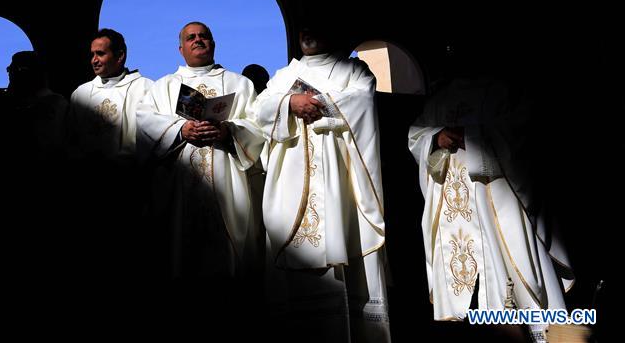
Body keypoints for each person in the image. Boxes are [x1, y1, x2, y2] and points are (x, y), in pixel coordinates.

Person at [407, 47, 573, 341]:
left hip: (494, 205)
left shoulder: (502, 93)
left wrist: (473, 136)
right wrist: (436, 137)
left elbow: (523, 134)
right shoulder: (440, 98)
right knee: (467, 302)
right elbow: (416, 135)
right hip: (452, 215)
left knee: (509, 291)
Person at [253, 25, 390, 342]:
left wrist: (313, 103)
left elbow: (362, 101)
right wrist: (288, 103)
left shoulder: (354, 70)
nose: (309, 33)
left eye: (317, 25)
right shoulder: (284, 76)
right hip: (291, 188)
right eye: (304, 28)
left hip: (341, 187)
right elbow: (260, 108)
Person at [136, 22, 267, 281]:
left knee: (229, 264)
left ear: (213, 43)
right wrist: (181, 130)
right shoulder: (163, 87)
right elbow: (144, 122)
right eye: (191, 37)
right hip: (179, 189)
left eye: (203, 36)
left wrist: (228, 131)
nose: (198, 40)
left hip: (227, 187)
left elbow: (258, 128)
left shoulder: (239, 84)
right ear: (181, 48)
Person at [69, 28, 153, 161]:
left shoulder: (146, 88)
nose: (94, 60)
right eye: (92, 55)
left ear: (120, 56)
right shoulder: (80, 94)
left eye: (100, 54)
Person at [0, 51, 68, 151]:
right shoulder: (57, 103)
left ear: (22, 72)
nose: (8, 72)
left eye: (11, 69)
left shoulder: (49, 105)